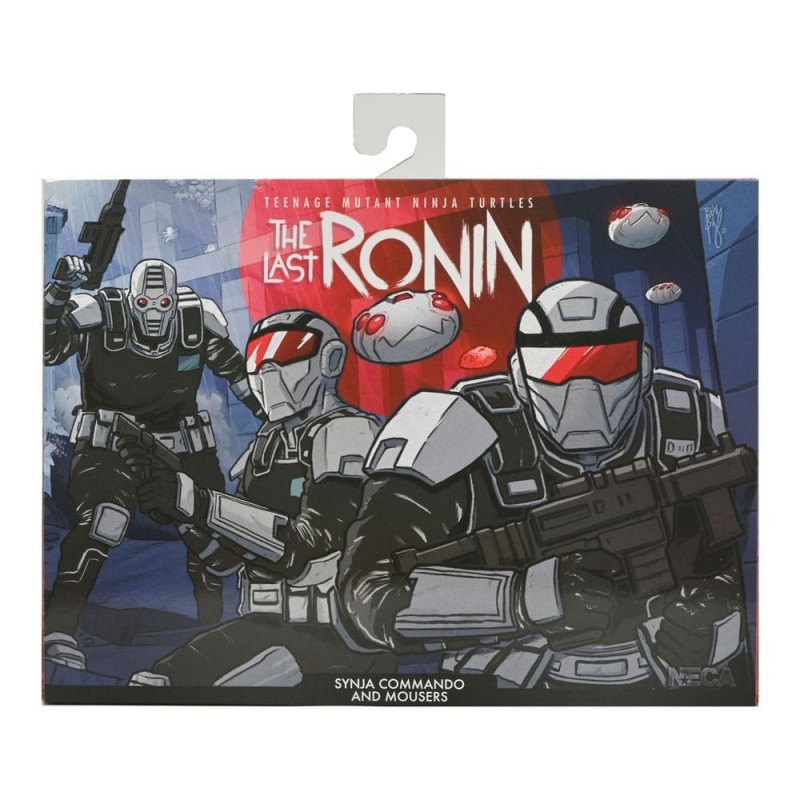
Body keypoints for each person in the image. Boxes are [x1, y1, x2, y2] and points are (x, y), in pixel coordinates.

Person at [338, 279, 752, 690]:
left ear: (643, 367)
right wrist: (521, 600)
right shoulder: (453, 428)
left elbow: (748, 562)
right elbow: (366, 594)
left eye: (608, 366)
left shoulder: (693, 418)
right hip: (507, 685)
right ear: (520, 375)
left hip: (671, 682)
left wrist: (720, 622)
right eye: (556, 369)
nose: (584, 393)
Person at [123, 310, 395, 686]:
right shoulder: (267, 444)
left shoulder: (348, 432)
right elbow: (225, 561)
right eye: (257, 358)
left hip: (342, 637)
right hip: (266, 624)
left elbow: (308, 546)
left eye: (287, 353)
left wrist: (193, 502)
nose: (268, 371)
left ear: (330, 360)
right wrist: (181, 515)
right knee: (157, 683)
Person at [44, 256, 263, 669]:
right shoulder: (99, 314)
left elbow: (238, 375)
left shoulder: (196, 320)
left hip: (183, 449)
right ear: (131, 301)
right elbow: (46, 348)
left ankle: (214, 631)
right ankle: (59, 631)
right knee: (103, 520)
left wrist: (273, 420)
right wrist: (59, 291)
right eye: (144, 304)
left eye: (163, 305)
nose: (154, 315)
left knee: (213, 530)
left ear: (173, 302)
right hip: (108, 446)